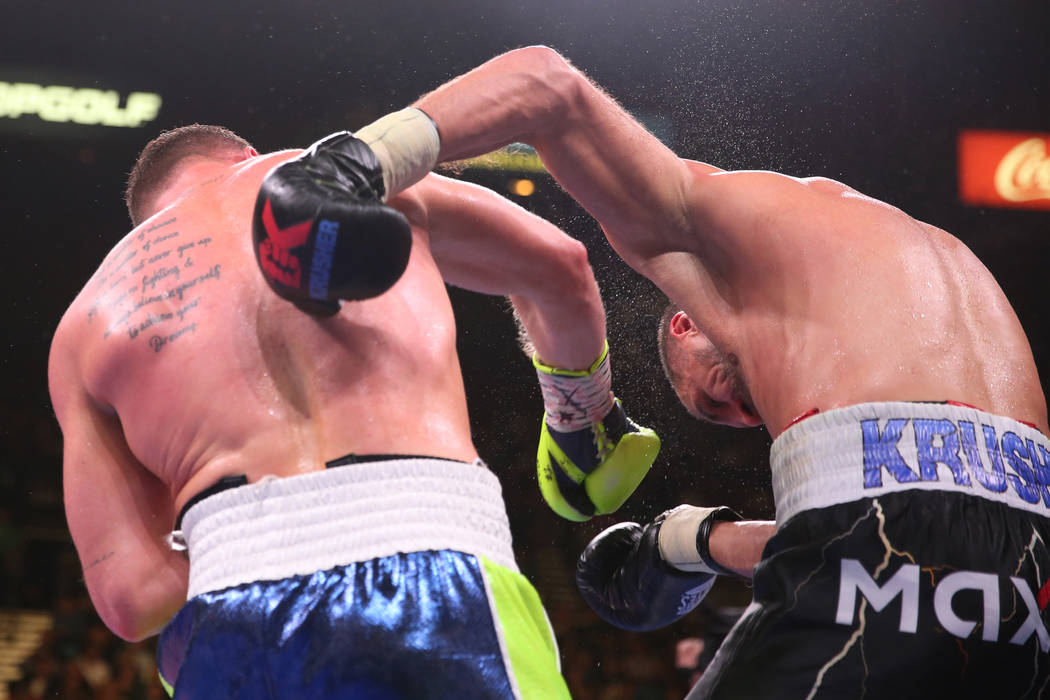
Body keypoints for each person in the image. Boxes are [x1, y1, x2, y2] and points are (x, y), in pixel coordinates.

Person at [357, 46, 1050, 698]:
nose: (749, 418)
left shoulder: (720, 226)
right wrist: (694, 542)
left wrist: (361, 161)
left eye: (712, 404)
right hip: (1032, 579)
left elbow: (547, 85)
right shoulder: (911, 274)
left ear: (685, 324)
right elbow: (927, 534)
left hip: (898, 550)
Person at [47, 119, 660, 698]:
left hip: (228, 623)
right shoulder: (329, 173)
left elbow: (130, 601)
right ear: (246, 155)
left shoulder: (85, 323)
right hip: (430, 570)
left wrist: (245, 550)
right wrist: (575, 417)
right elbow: (560, 266)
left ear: (143, 223)